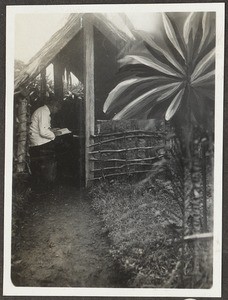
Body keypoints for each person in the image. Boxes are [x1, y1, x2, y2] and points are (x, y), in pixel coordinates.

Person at [29, 98, 62, 192]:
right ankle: (46, 185)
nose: (57, 111)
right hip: (39, 142)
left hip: (37, 141)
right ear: (54, 106)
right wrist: (54, 135)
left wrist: (52, 130)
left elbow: (43, 128)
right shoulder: (44, 112)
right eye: (57, 109)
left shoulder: (43, 111)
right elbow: (43, 132)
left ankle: (45, 185)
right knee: (49, 162)